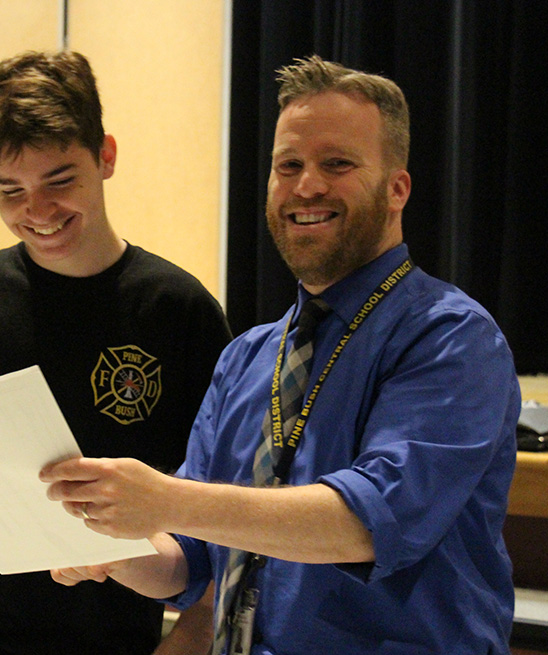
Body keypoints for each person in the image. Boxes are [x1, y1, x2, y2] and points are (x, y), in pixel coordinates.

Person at [41, 55, 521, 655]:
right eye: (287, 165)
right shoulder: (246, 356)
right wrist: (111, 548)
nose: (307, 186)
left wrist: (164, 500)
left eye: (337, 164)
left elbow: (365, 524)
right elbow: (189, 562)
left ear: (397, 188)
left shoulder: (450, 337)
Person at [0, 50, 231, 655]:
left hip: (113, 639)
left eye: (59, 180)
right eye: (10, 191)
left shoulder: (179, 311)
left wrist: (195, 626)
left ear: (105, 156)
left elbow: (221, 495)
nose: (38, 212)